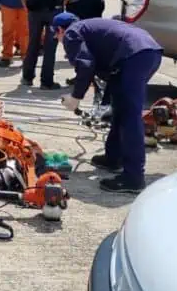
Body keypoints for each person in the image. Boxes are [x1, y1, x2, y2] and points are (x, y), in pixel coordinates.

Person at [52, 12, 163, 194]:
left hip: (134, 56)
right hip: (146, 51)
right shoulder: (87, 28)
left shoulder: (71, 33)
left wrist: (75, 98)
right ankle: (113, 158)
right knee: (120, 109)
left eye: (56, 36)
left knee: (130, 116)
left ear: (59, 30)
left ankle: (134, 178)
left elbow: (85, 65)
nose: (58, 40)